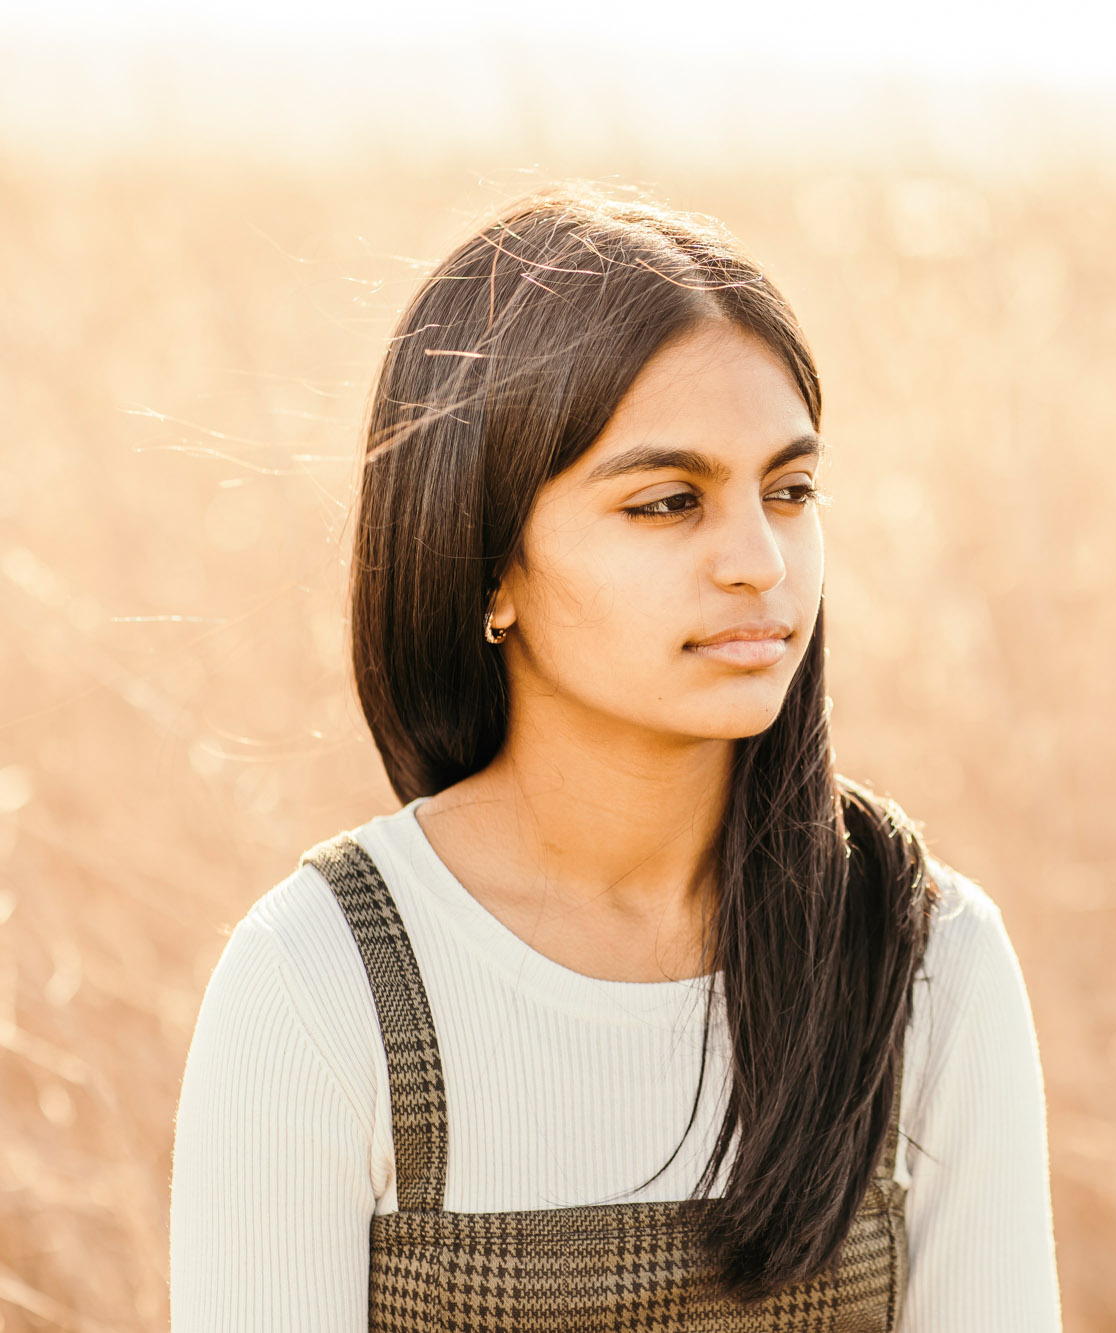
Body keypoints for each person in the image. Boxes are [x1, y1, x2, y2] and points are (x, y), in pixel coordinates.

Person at [167, 184, 1062, 1331]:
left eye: (788, 491)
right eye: (667, 503)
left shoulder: (922, 954)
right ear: (489, 565)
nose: (756, 561)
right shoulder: (316, 980)